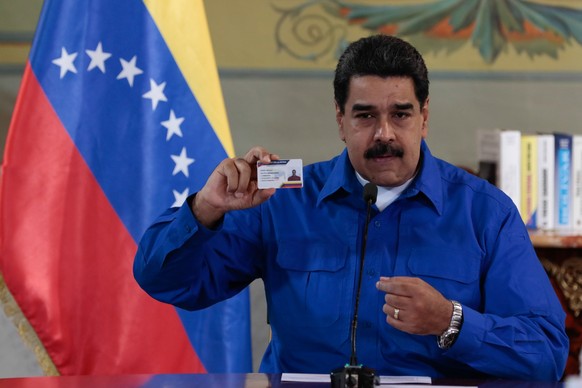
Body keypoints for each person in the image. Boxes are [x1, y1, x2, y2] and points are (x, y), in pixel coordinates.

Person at [133, 34, 568, 381]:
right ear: (340, 120)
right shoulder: (282, 197)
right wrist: (207, 207)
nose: (384, 134)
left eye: (401, 114)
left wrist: (450, 321)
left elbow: (546, 353)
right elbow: (164, 282)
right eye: (364, 116)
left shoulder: (485, 213)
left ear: (424, 117)